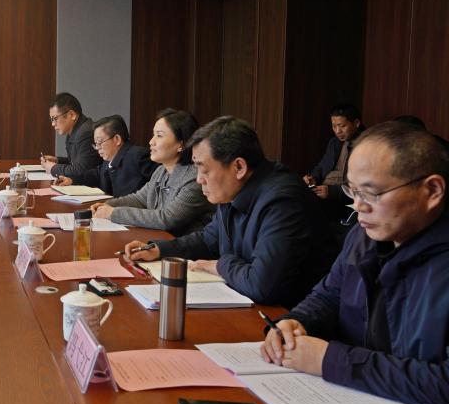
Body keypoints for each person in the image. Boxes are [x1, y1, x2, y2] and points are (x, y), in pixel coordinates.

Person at [261, 122, 449, 404]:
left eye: (372, 193)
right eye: (353, 191)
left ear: (432, 190)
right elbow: (328, 297)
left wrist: (331, 360)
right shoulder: (362, 237)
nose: (358, 206)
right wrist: (296, 322)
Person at [122, 116, 338, 308]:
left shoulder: (283, 202)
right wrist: (158, 249)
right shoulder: (233, 189)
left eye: (204, 170)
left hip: (287, 320)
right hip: (248, 303)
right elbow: (209, 239)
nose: (199, 179)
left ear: (239, 167)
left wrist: (220, 264)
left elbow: (262, 285)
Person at [90, 109, 212, 236]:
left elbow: (167, 218)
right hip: (159, 239)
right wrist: (107, 205)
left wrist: (113, 213)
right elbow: (139, 199)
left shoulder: (194, 178)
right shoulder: (161, 171)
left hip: (183, 246)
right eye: (153, 135)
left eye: (159, 135)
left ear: (181, 144)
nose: (151, 141)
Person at [55, 115, 156, 197]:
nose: (97, 148)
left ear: (117, 139)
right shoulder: (108, 161)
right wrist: (71, 180)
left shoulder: (138, 156)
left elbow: (156, 189)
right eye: (95, 144)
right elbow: (95, 175)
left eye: (100, 142)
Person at [304, 104, 363, 210]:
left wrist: (332, 192)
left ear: (356, 123)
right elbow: (322, 166)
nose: (337, 131)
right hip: (323, 189)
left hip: (340, 196)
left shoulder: (366, 145)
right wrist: (313, 178)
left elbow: (362, 185)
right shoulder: (334, 142)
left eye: (342, 126)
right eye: (334, 126)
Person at [40, 93, 101, 177]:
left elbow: (81, 171)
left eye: (55, 118)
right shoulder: (74, 130)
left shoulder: (86, 133)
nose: (53, 124)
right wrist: (57, 160)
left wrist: (53, 168)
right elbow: (75, 162)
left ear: (72, 115)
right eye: (51, 119)